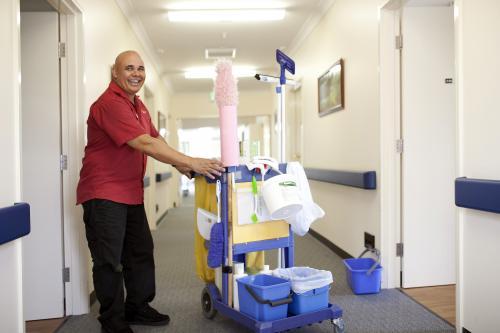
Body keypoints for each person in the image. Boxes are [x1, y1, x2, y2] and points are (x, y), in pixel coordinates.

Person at [76, 50, 224, 333]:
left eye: (141, 68)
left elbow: (155, 138)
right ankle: (112, 322)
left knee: (140, 252)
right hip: (103, 193)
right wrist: (190, 161)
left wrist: (181, 166)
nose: (136, 73)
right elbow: (144, 143)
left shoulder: (138, 106)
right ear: (115, 74)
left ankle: (138, 308)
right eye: (129, 68)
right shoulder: (109, 104)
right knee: (110, 261)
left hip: (129, 193)